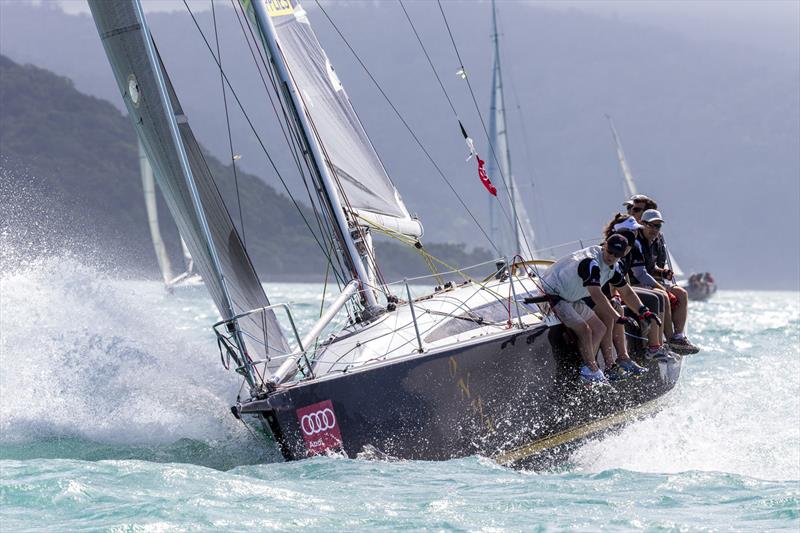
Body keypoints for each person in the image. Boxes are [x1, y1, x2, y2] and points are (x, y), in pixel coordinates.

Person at [539, 234, 661, 384]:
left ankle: (588, 369)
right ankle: (591, 371)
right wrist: (618, 317)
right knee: (584, 329)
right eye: (610, 251)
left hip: (569, 299)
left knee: (599, 328)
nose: (612, 256)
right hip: (550, 296)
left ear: (623, 255)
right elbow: (596, 294)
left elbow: (627, 292)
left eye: (617, 255)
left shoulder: (613, 267)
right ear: (605, 246)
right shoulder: (591, 263)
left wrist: (643, 311)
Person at [600, 215, 673, 363]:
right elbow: (608, 276)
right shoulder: (611, 247)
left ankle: (660, 344)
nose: (635, 234)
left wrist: (662, 290)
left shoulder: (632, 246)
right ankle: (651, 348)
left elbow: (623, 275)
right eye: (632, 231)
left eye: (636, 231)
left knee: (659, 296)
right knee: (653, 298)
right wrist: (616, 296)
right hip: (603, 292)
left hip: (618, 289)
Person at [632, 209, 699, 354]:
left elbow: (652, 267)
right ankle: (669, 341)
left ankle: (679, 336)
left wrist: (662, 272)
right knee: (663, 296)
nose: (655, 229)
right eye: (652, 225)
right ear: (642, 224)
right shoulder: (637, 242)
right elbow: (641, 274)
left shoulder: (655, 241)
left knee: (682, 293)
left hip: (649, 283)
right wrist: (660, 287)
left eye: (658, 226)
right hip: (636, 283)